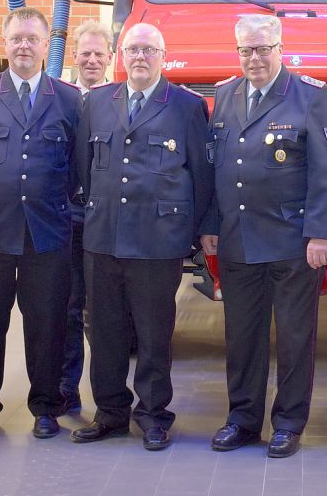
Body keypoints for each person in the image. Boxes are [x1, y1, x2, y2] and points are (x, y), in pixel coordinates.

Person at [201, 14, 327, 458]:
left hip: (292, 240)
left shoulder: (311, 97)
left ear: (280, 48)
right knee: (242, 336)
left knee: (295, 337)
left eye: (263, 48)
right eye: (246, 49)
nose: (254, 58)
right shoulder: (225, 95)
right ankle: (242, 419)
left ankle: (288, 423)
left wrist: (320, 234)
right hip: (239, 239)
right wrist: (209, 226)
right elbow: (215, 169)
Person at [71, 23, 213, 450]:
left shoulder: (186, 106)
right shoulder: (96, 101)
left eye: (149, 50)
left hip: (158, 240)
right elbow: (83, 165)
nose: (140, 57)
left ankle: (153, 415)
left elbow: (200, 176)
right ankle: (110, 413)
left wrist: (198, 231)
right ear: (121, 54)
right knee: (105, 332)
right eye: (132, 49)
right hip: (103, 237)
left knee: (154, 335)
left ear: (163, 56)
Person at [0, 7, 82, 440]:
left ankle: (45, 406)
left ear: (47, 45)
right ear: (4, 44)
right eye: (16, 39)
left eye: (32, 39)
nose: (24, 46)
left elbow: (78, 166)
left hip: (47, 231)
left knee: (47, 323)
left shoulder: (68, 98)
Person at [58, 19, 114, 414]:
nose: (92, 60)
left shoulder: (122, 100)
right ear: (73, 56)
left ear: (111, 58)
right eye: (85, 53)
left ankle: (110, 397)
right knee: (67, 307)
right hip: (65, 220)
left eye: (99, 53)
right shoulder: (57, 97)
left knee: (107, 311)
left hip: (107, 221)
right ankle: (66, 389)